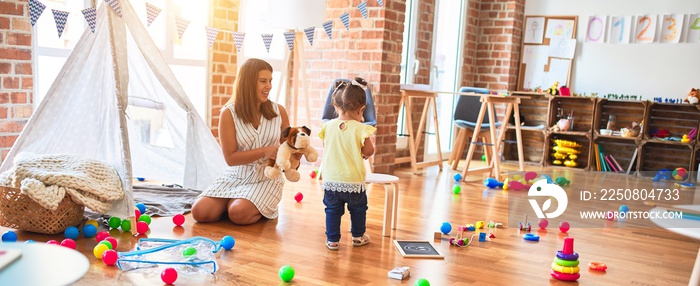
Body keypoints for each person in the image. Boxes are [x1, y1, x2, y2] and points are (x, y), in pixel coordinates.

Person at [191, 58, 291, 225]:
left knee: (238, 212)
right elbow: (230, 158)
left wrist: (297, 152)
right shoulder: (228, 113)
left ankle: (243, 205)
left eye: (270, 81)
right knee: (199, 211)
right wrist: (264, 151)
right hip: (236, 176)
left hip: (266, 178)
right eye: (263, 81)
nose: (269, 86)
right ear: (248, 83)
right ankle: (236, 203)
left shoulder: (279, 111)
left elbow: (288, 147)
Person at [318, 77, 376, 250]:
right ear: (362, 109)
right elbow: (369, 151)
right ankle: (358, 236)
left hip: (331, 180)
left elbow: (328, 146)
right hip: (353, 180)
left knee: (332, 210)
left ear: (335, 107)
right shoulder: (361, 128)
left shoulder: (327, 127)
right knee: (358, 209)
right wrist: (360, 153)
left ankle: (333, 240)